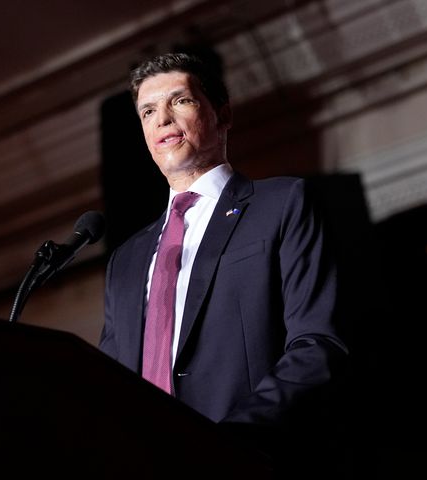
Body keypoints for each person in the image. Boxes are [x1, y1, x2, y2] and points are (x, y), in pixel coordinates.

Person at [99, 52, 349, 477]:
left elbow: (317, 343)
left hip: (246, 458)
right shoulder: (125, 261)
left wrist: (230, 437)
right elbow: (105, 390)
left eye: (179, 101)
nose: (162, 119)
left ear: (222, 114)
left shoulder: (281, 204)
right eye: (148, 110)